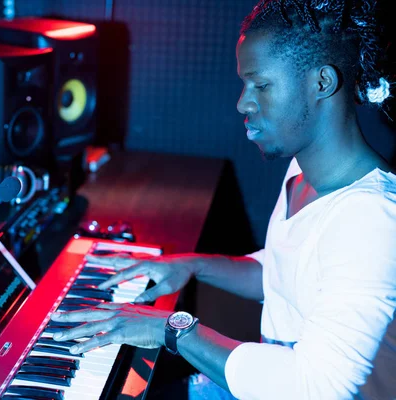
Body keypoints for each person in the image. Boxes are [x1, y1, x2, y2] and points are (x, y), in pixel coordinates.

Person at [51, 0, 396, 399]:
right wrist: (192, 265)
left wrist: (170, 328)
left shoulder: (372, 220)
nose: (243, 103)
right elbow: (286, 273)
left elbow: (316, 387)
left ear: (321, 83)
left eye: (261, 85)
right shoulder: (305, 172)